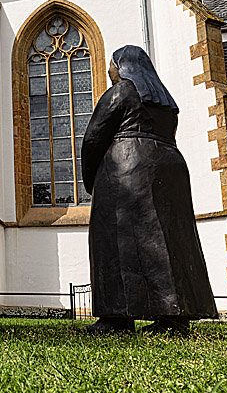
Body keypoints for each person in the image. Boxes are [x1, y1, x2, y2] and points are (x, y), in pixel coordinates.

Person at [80, 45, 217, 335]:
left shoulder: (122, 92)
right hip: (169, 168)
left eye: (112, 64)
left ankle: (116, 319)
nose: (109, 70)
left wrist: (92, 181)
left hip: (126, 168)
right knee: (171, 240)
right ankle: (173, 319)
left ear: (124, 66)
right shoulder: (165, 101)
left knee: (116, 241)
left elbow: (93, 138)